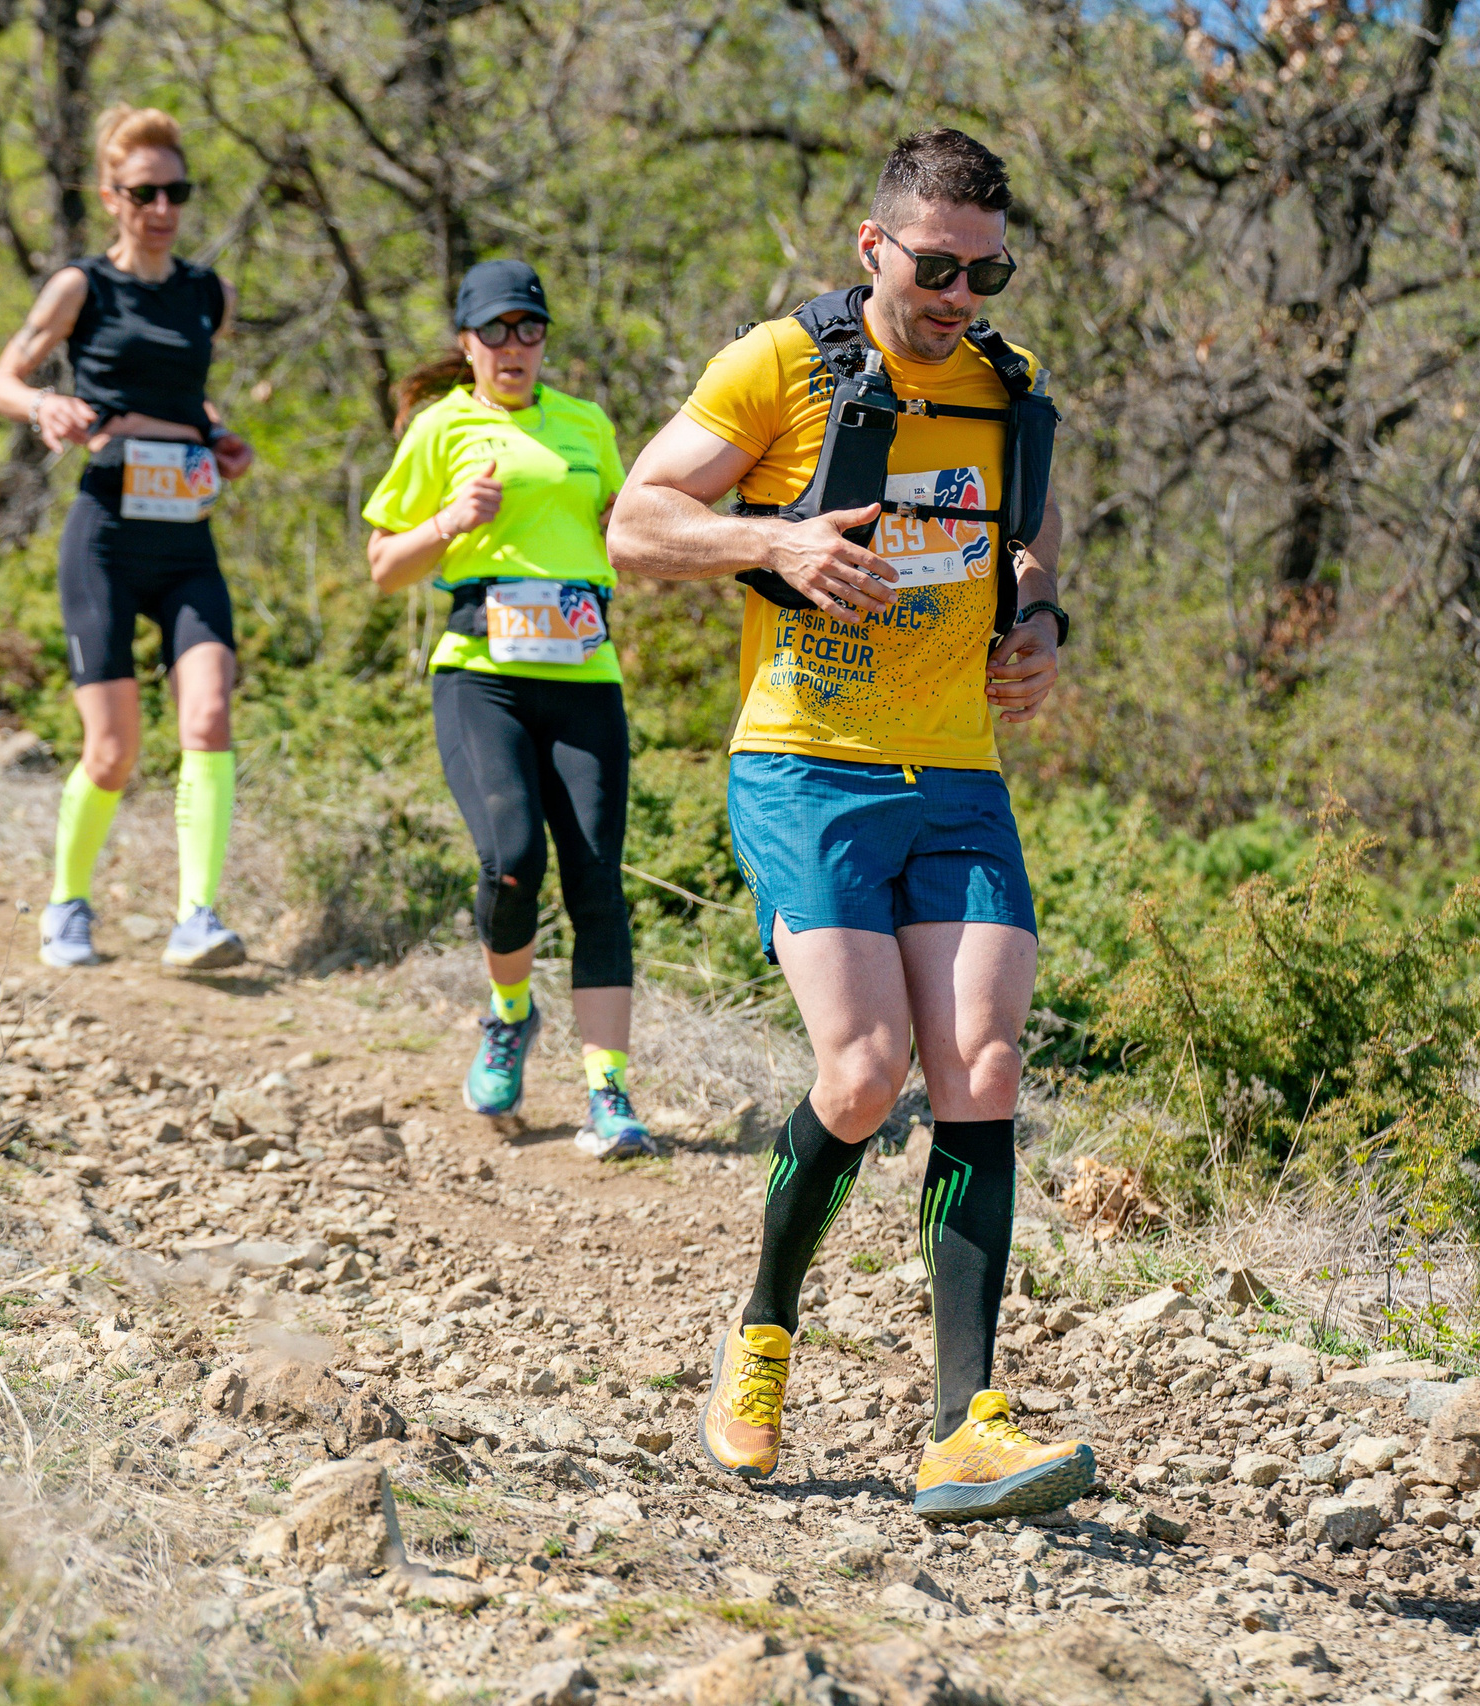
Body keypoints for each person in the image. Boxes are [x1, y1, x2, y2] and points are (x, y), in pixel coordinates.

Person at [605, 129, 1092, 1517]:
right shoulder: (781, 366)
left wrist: (1040, 624)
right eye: (936, 266)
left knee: (984, 1059)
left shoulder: (1008, 387)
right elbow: (636, 522)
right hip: (807, 761)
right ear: (874, 246)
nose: (960, 293)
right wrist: (776, 540)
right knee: (868, 1069)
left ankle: (963, 1425)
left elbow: (1028, 539)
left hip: (955, 769)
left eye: (985, 269)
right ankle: (763, 1331)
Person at [362, 260, 653, 1161]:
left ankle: (607, 1089)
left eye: (529, 328)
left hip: (583, 669)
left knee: (599, 881)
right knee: (513, 856)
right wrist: (450, 522)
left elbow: (619, 523)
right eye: (495, 330)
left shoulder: (585, 424)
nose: (514, 346)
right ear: (466, 343)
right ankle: (509, 1014)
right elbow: (383, 565)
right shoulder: (441, 428)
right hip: (480, 672)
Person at [0, 105, 254, 972]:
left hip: (187, 534)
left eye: (177, 190)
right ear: (112, 197)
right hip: (104, 529)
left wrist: (218, 437)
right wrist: (44, 405)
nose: (164, 207)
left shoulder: (208, 293)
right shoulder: (80, 287)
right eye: (145, 193)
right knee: (114, 747)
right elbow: (0, 381)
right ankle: (67, 905)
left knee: (208, 713)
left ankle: (196, 920)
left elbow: (187, 393)